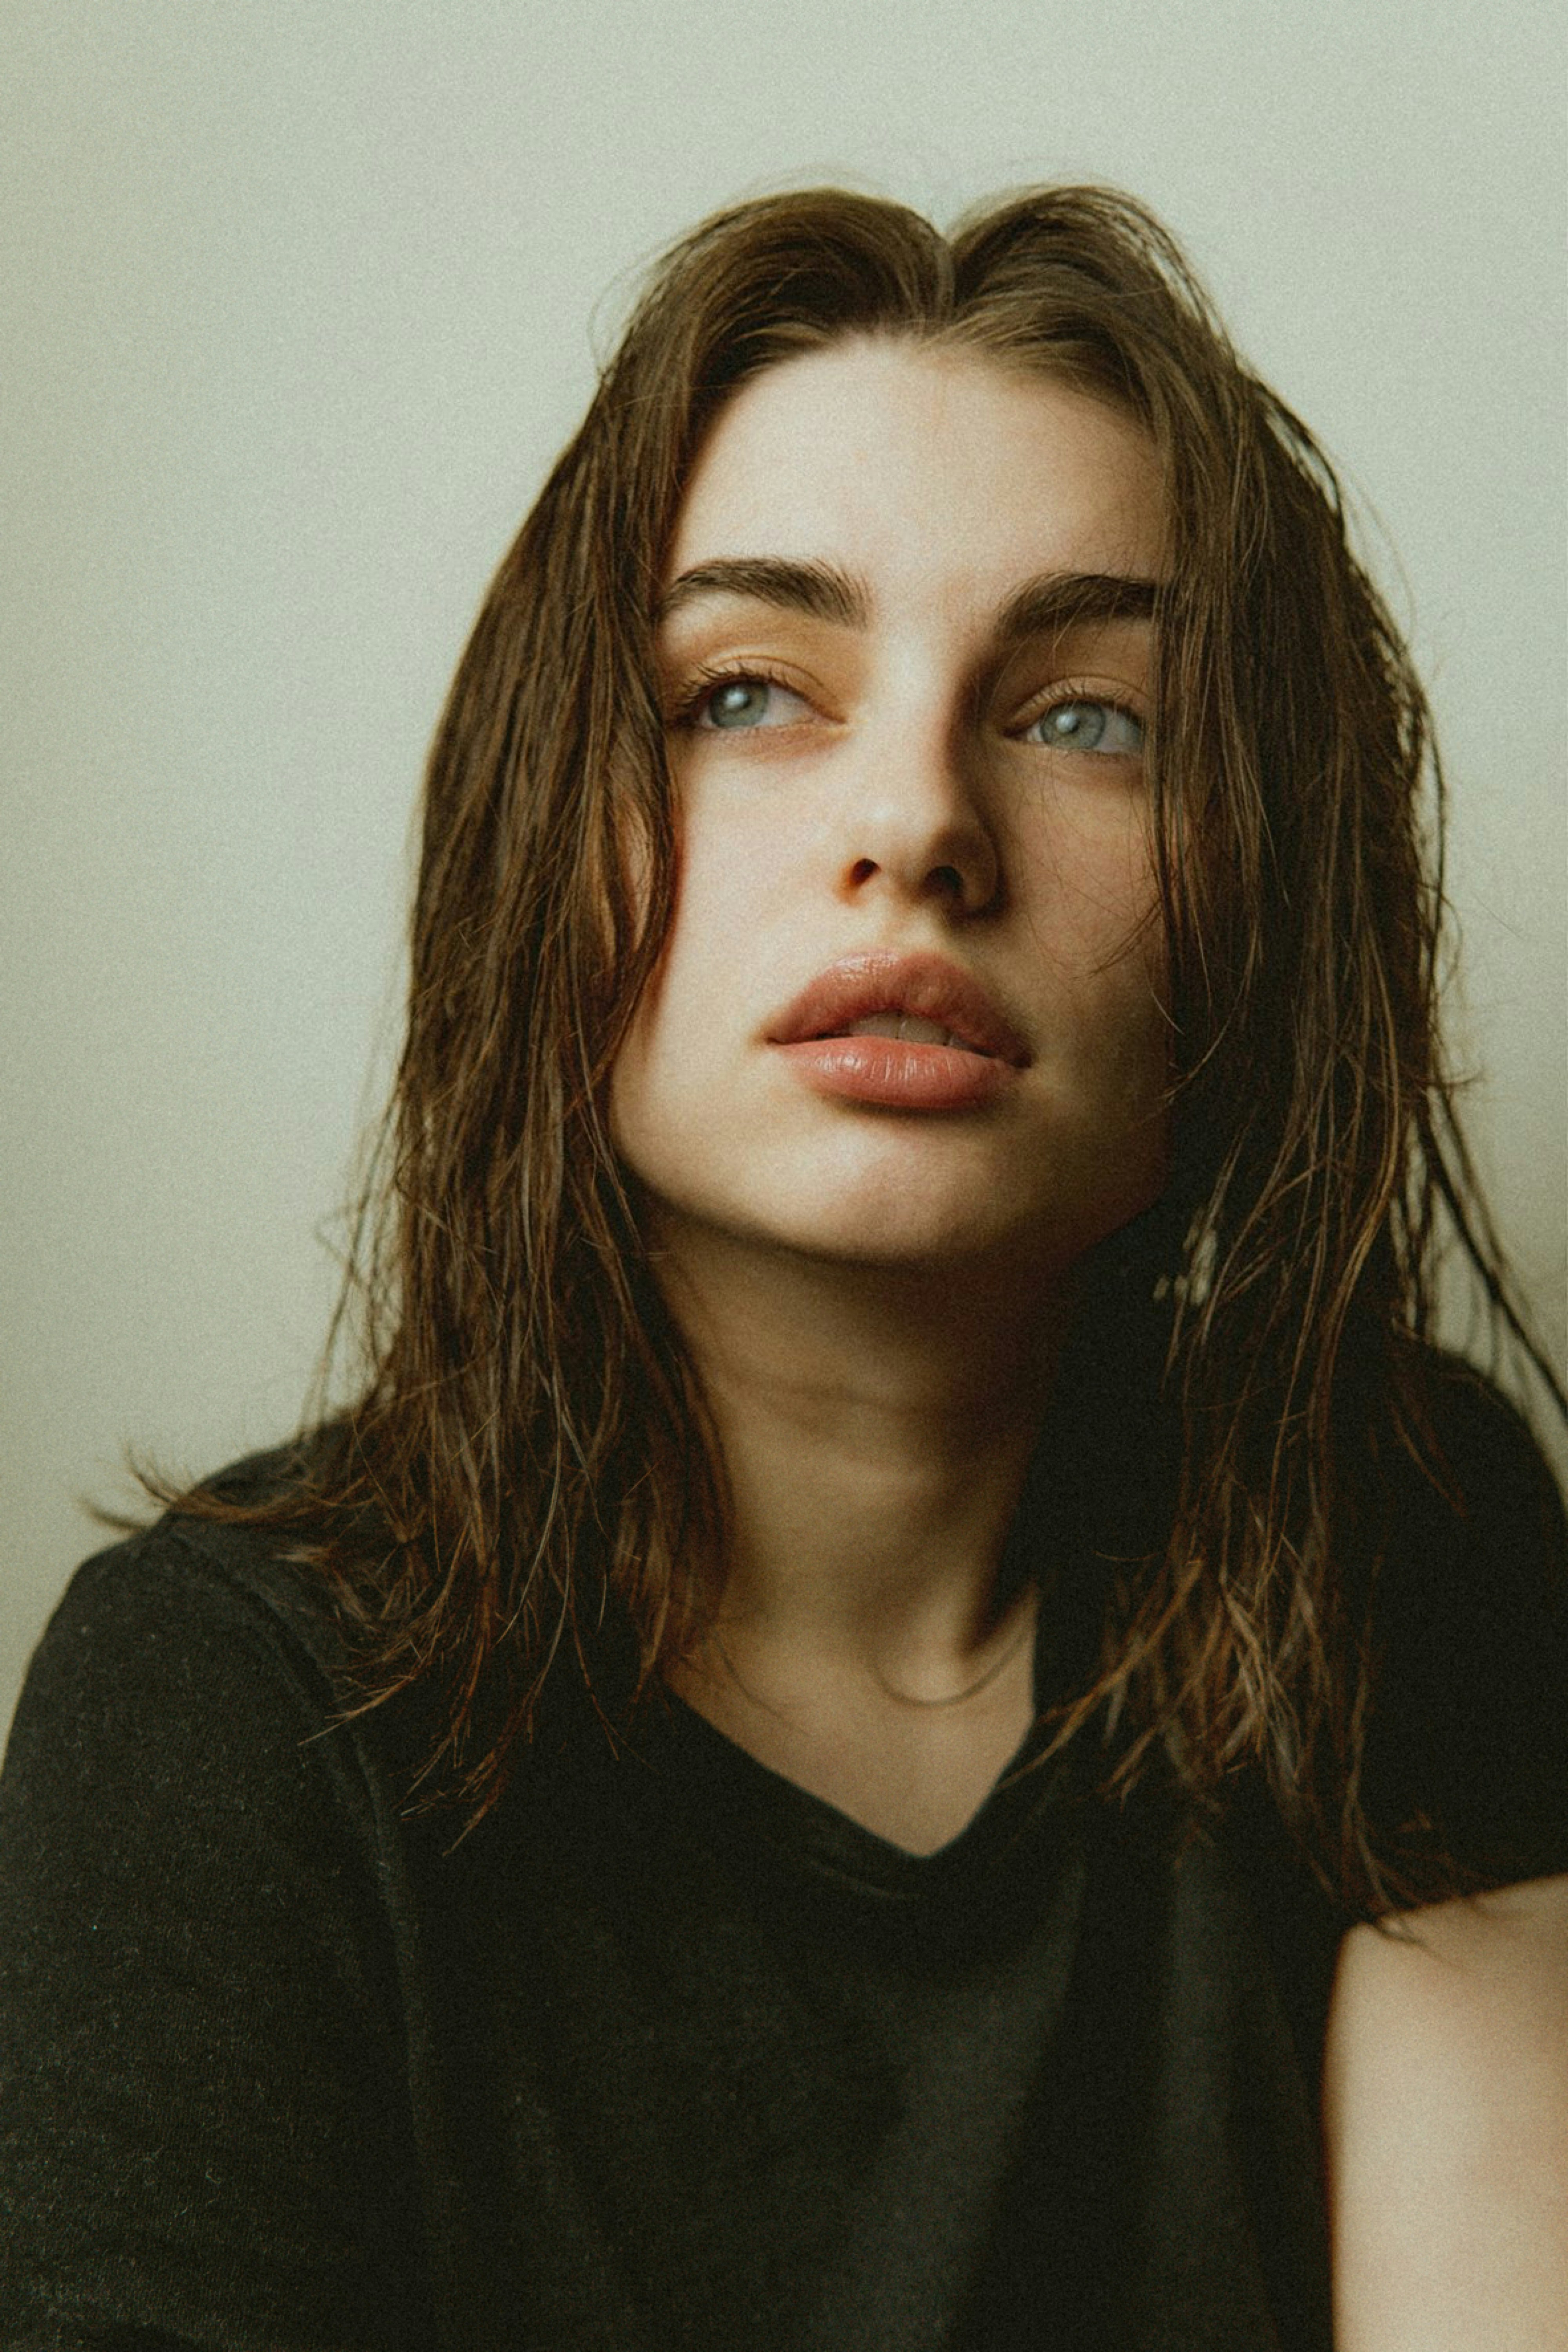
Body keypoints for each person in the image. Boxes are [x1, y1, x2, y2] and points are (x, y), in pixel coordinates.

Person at [1, 183, 1564, 2351]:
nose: (915, 823)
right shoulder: (239, 1716)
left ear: (1265, 899)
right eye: (746, 692)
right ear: (540, 836)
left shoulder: (1407, 1547)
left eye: (1091, 715)